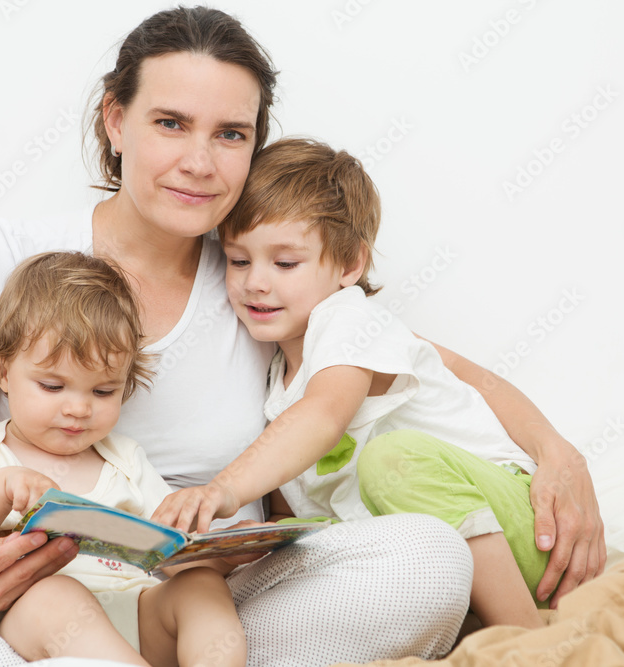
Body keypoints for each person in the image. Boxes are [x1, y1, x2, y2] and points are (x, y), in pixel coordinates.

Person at [0, 6, 603, 665]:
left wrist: (556, 453)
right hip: (33, 593)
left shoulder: (260, 278)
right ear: (115, 122)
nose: (200, 161)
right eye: (170, 123)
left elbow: (420, 360)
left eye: (230, 134)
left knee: (429, 558)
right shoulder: (15, 258)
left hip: (211, 598)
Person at [154, 138, 554, 629]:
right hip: (443, 557)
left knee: (394, 459)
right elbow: (291, 508)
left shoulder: (348, 321)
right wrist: (236, 545)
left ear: (349, 266)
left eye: (284, 263)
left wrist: (221, 491)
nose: (255, 281)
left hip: (518, 525)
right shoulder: (277, 382)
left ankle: (527, 641)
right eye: (239, 261)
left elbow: (323, 416)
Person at [0, 250, 246, 665]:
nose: (78, 409)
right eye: (53, 387)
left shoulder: (125, 460)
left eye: (103, 391)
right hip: (37, 618)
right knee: (58, 595)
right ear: (3, 372)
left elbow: (171, 555)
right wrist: (2, 489)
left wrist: (222, 555)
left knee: (201, 586)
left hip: (136, 618)